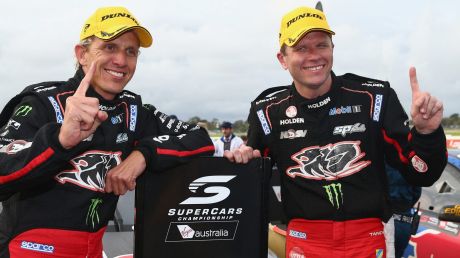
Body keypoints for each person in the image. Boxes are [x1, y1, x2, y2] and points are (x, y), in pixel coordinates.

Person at [224, 5, 447, 258]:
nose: (314, 56)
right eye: (301, 48)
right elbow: (252, 178)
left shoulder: (373, 97)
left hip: (370, 237)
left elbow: (422, 173)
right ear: (282, 59)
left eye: (322, 45)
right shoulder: (267, 111)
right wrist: (241, 163)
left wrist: (427, 133)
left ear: (332, 49)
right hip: (304, 241)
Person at [0, 6, 214, 258]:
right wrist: (59, 140)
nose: (121, 61)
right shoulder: (42, 102)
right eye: (110, 47)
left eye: (130, 51)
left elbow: (200, 138)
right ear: (82, 54)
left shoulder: (134, 110)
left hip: (92, 250)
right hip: (28, 249)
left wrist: (143, 154)